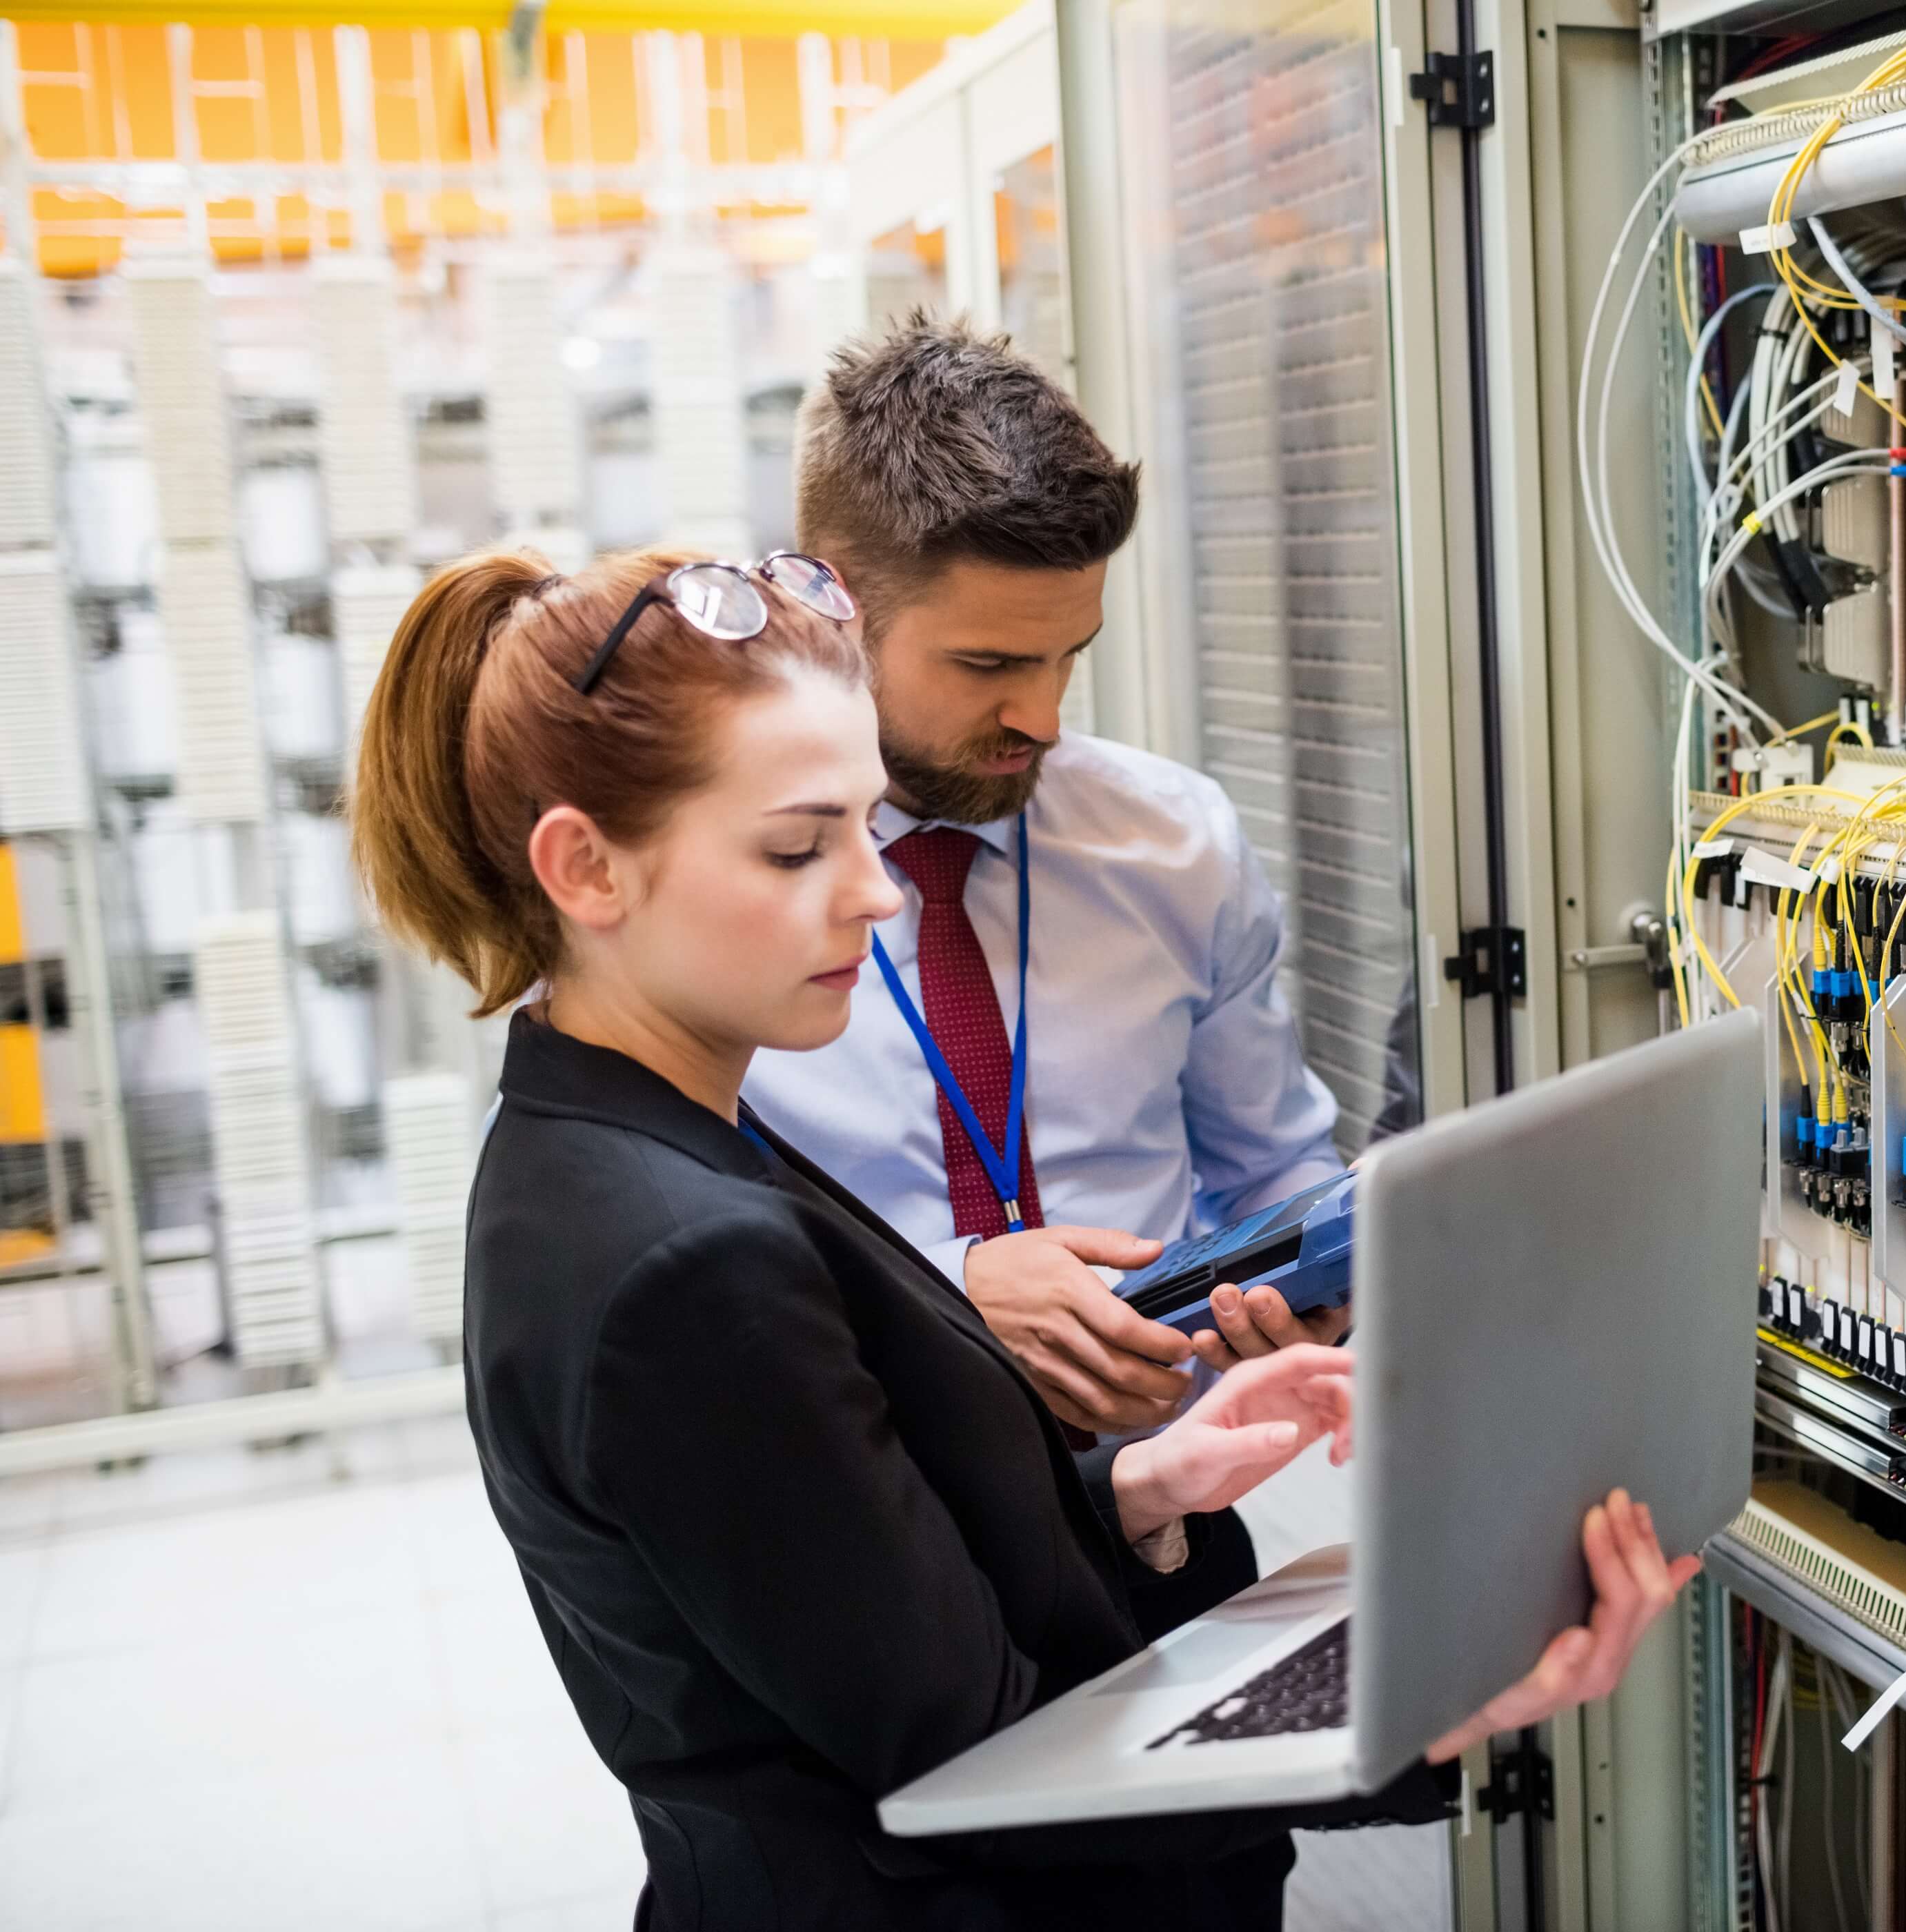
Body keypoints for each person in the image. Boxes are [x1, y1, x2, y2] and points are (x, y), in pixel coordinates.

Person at [348, 546, 1699, 1931]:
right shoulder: (679, 1262)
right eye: (796, 846)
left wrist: (1134, 1489)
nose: (875, 893)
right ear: (585, 867)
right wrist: (1436, 1699)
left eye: (866, 828)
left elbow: (846, 1572)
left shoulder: (635, 1128)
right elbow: (994, 1767)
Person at [739, 316, 1351, 1439]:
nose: (1045, 717)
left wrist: (1305, 1295)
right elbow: (644, 1265)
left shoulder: (1176, 846)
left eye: (1072, 653)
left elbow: (1273, 1167)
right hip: (869, 1517)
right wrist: (943, 1290)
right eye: (990, 665)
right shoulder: (709, 889)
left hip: (1175, 1497)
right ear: (828, 603)